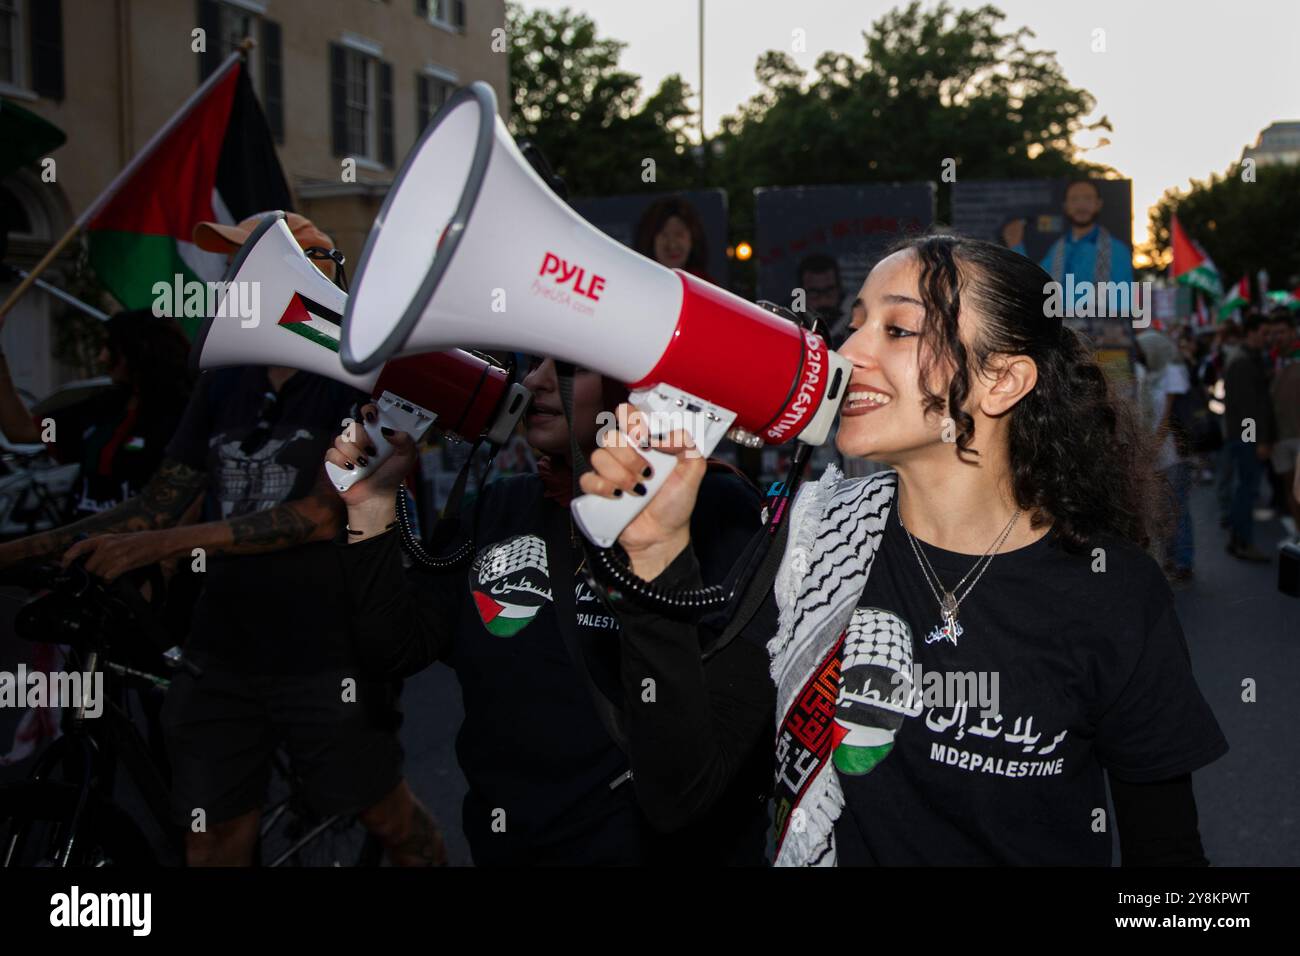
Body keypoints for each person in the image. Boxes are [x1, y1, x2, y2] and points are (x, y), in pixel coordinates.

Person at [581, 234, 1227, 866]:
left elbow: (1167, 853)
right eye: (856, 323)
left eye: (898, 330)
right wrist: (656, 560)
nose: (846, 350)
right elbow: (678, 797)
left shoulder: (1112, 591)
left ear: (1002, 380)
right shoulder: (808, 546)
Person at [0, 212, 445, 867]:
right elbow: (156, 505)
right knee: (212, 840)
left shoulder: (362, 381)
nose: (234, 276)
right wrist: (14, 552)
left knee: (385, 816)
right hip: (221, 654)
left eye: (252, 260)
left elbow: (320, 515)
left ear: (321, 270)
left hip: (325, 655)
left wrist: (168, 543)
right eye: (234, 263)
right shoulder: (224, 380)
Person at [330, 356, 770, 865]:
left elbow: (721, 731)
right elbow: (394, 646)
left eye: (567, 367)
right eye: (529, 363)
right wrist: (371, 506)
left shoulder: (716, 508)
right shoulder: (502, 505)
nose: (533, 383)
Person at [0, 310, 192, 518]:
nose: (101, 357)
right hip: (82, 543)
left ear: (140, 351)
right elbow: (22, 431)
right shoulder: (100, 409)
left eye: (110, 349)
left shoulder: (184, 415)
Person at [1138, 330, 1195, 581]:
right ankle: (1171, 559)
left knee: (1177, 507)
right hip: (1156, 454)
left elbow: (1166, 418)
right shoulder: (1148, 375)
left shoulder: (1171, 374)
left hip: (1171, 453)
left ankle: (1182, 562)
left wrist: (1152, 448)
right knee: (1162, 508)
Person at [1222, 315, 1276, 562]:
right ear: (1251, 333)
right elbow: (1247, 411)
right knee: (1247, 489)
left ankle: (1238, 538)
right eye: (1264, 333)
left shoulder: (1246, 358)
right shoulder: (1242, 361)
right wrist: (1257, 442)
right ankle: (1243, 541)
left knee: (1245, 488)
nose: (1268, 338)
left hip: (1245, 436)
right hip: (1247, 438)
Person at [633, 195, 712, 281]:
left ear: (693, 238)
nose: (672, 245)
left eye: (679, 234)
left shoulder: (706, 286)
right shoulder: (636, 284)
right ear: (650, 240)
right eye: (664, 235)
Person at [795, 253, 848, 345]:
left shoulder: (855, 320)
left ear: (839, 289)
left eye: (829, 291)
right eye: (814, 293)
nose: (823, 300)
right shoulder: (788, 323)